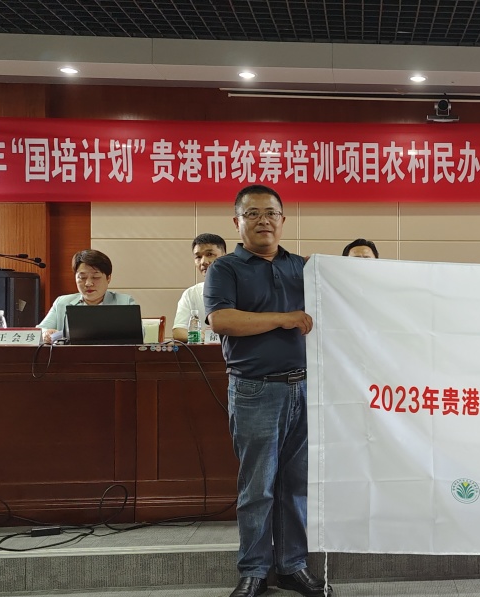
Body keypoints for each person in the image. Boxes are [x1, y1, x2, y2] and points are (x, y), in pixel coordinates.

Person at [204, 184, 330, 597]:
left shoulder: (302, 267)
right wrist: (284, 318)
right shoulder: (225, 268)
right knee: (257, 487)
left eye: (271, 213)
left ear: (283, 220)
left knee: (296, 486)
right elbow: (222, 320)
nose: (263, 221)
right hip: (254, 391)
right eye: (253, 213)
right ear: (237, 221)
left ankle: (292, 566)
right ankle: (254, 570)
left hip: (304, 389)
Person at [37, 249, 136, 344]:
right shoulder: (62, 302)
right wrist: (46, 333)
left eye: (95, 277)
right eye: (82, 277)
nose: (88, 283)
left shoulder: (125, 302)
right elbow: (39, 330)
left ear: (108, 278)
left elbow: (139, 333)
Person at [173, 233, 226, 342]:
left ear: (224, 256)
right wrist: (203, 337)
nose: (203, 262)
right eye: (198, 257)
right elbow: (178, 331)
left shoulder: (242, 289)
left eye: (210, 254)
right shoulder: (191, 293)